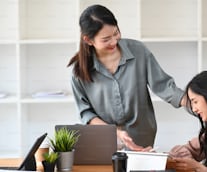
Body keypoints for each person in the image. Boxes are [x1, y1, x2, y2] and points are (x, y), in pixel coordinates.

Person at [67, 4, 185, 151]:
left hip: (142, 139)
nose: (114, 41)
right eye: (106, 39)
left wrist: (190, 100)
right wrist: (115, 133)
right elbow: (86, 113)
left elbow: (163, 86)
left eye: (116, 33)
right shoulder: (79, 72)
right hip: (105, 142)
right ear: (88, 40)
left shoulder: (138, 51)